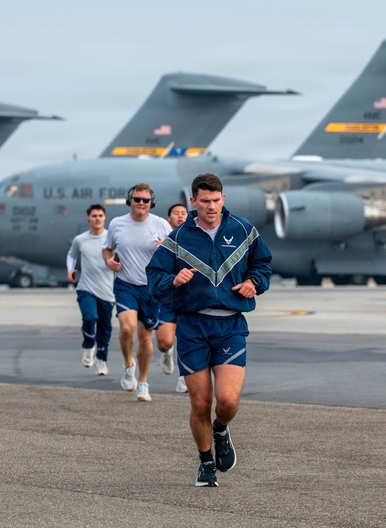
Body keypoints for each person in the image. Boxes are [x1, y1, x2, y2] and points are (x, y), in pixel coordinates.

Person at [147, 172, 272, 488]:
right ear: (194, 202)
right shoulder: (178, 239)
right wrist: (172, 281)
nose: (211, 206)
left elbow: (263, 265)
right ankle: (205, 464)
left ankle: (221, 429)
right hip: (192, 326)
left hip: (230, 325)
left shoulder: (243, 230)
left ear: (223, 199)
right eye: (205, 201)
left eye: (216, 200)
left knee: (227, 401)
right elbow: (154, 279)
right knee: (200, 403)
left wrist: (254, 282)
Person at [102, 183, 172, 402]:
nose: (141, 203)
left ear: (152, 203)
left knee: (144, 337)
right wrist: (109, 261)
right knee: (126, 328)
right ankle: (127, 365)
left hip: (152, 288)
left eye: (145, 200)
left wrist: (165, 250)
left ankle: (143, 382)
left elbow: (176, 255)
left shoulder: (161, 225)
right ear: (129, 200)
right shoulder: (117, 224)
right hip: (126, 284)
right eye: (137, 199)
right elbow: (107, 248)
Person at [67, 204, 115, 376]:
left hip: (107, 292)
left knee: (105, 328)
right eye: (94, 216)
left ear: (104, 218)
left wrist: (118, 264)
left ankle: (102, 361)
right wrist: (70, 269)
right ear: (88, 218)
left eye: (100, 215)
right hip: (86, 288)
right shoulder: (80, 239)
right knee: (90, 317)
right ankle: (88, 345)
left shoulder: (111, 238)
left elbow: (123, 256)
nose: (97, 218)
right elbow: (72, 255)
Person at [159, 203, 189, 393]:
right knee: (165, 341)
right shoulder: (162, 239)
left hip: (189, 297)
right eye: (176, 213)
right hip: (168, 297)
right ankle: (167, 353)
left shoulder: (196, 237)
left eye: (184, 213)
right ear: (168, 219)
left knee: (186, 339)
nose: (180, 216)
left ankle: (183, 378)